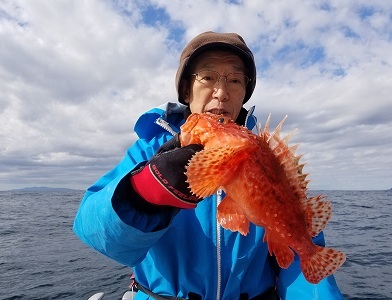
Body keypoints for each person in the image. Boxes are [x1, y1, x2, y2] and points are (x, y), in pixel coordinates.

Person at [73, 31, 344, 300]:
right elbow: (95, 233)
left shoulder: (265, 156)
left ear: (244, 94)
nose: (222, 92)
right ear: (186, 90)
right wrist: (144, 192)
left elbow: (299, 262)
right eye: (208, 77)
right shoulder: (147, 151)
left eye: (235, 80)